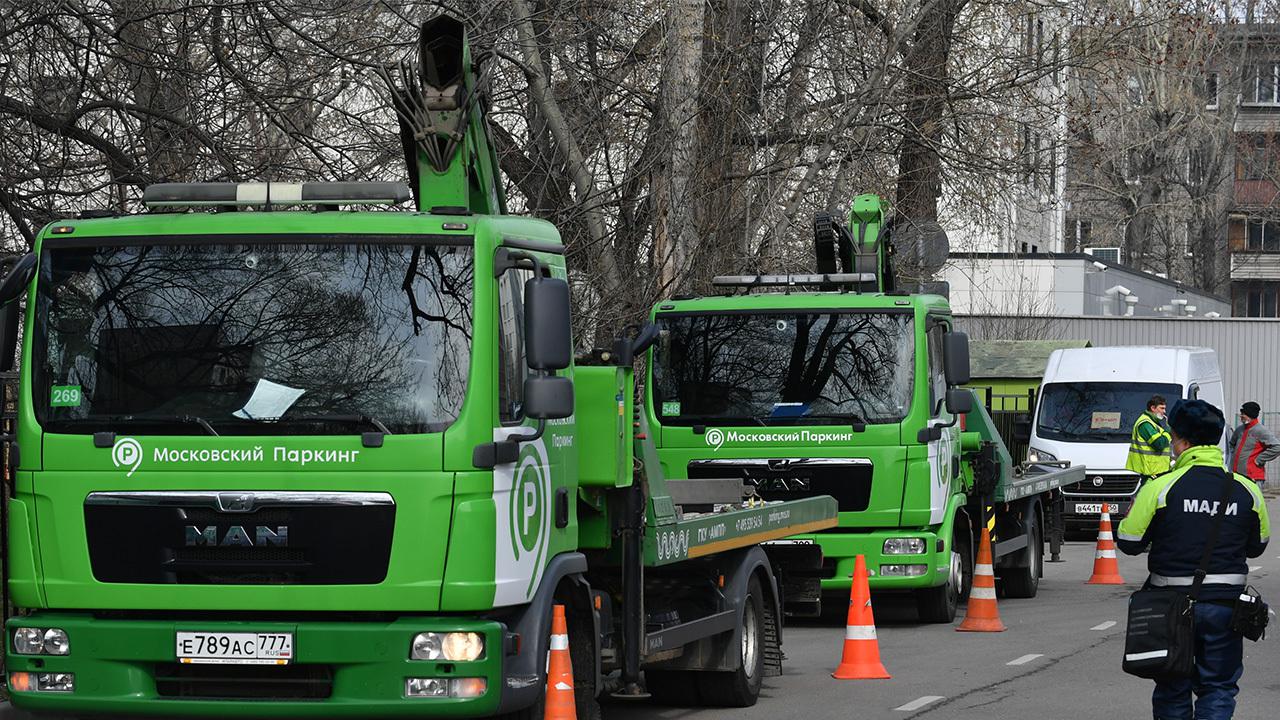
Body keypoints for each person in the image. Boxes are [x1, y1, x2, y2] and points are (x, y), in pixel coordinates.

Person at [1117, 399, 1270, 720]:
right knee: (1218, 687)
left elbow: (1129, 541)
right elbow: (1258, 546)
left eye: (1173, 438)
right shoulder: (1246, 490)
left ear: (1182, 441)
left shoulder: (1161, 487)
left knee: (1173, 684)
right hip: (1226, 608)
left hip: (1170, 607)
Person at [1227, 401, 1280, 488]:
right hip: (1236, 476)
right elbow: (1231, 444)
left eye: (1243, 413)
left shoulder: (1261, 430)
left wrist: (1259, 460)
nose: (1241, 416)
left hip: (1253, 477)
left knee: (1253, 501)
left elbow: (1277, 447)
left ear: (1250, 415)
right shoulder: (1239, 429)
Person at [1126, 394, 1171, 479]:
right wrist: (1168, 432)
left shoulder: (1153, 422)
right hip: (1151, 472)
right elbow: (1159, 444)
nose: (1164, 411)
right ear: (1153, 408)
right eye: (1162, 408)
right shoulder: (1145, 424)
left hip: (1156, 470)